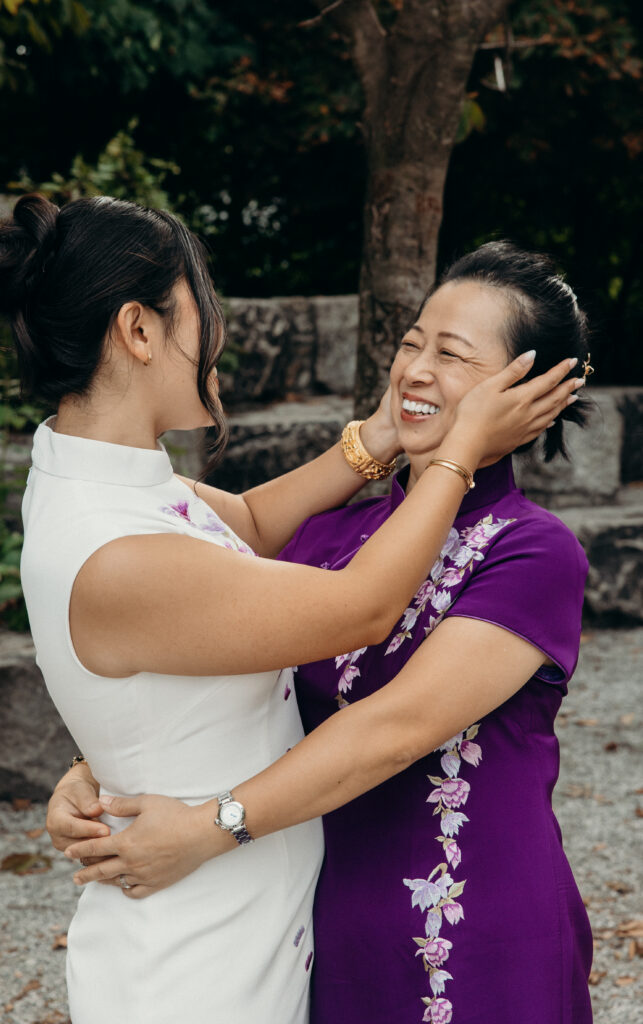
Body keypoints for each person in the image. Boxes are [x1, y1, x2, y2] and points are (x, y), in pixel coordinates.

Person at [50, 242, 593, 1024]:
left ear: (526, 390)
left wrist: (210, 828)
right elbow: (212, 650)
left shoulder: (533, 551)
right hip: (324, 925)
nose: (413, 369)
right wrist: (97, 762)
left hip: (472, 927)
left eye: (451, 354)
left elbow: (395, 728)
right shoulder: (336, 531)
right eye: (411, 342)